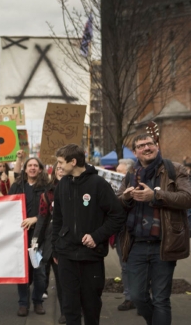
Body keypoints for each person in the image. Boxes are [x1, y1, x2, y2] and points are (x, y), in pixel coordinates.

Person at [118, 134, 191, 325]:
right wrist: (125, 199)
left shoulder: (174, 169)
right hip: (136, 245)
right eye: (141, 146)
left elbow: (187, 198)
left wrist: (156, 195)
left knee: (161, 299)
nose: (146, 148)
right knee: (137, 296)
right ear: (135, 152)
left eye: (150, 144)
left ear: (156, 146)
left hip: (164, 244)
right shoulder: (130, 174)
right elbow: (117, 203)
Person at [53, 144, 126, 325]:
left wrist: (97, 236)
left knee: (91, 307)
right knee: (69, 308)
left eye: (61, 162)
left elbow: (117, 216)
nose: (58, 166)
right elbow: (57, 219)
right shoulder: (62, 184)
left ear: (73, 161)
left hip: (91, 257)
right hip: (66, 256)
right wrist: (56, 247)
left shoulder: (98, 184)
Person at [9, 151, 49, 316]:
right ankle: (23, 303)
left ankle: (38, 301)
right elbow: (8, 206)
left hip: (39, 238)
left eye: (35, 166)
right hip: (21, 237)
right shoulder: (18, 186)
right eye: (29, 165)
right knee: (23, 273)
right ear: (25, 169)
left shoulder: (47, 188)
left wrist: (35, 219)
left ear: (40, 169)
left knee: (39, 273)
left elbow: (52, 210)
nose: (32, 168)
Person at [33, 162, 65, 323]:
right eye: (58, 168)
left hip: (72, 243)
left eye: (63, 168)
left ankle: (71, 309)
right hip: (52, 242)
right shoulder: (47, 194)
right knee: (57, 278)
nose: (61, 170)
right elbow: (42, 218)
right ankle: (65, 312)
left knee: (67, 280)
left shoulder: (78, 190)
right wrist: (35, 241)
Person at [114, 158, 136, 311]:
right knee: (125, 266)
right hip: (121, 232)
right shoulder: (116, 189)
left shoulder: (137, 184)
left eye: (121, 174)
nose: (117, 177)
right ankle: (129, 298)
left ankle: (142, 298)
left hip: (136, 231)